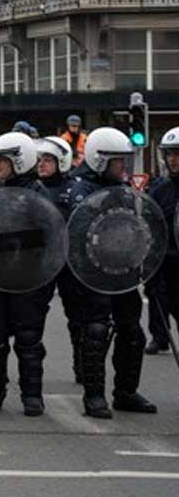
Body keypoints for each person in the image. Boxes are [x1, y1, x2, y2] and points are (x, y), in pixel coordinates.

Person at [60, 127, 156, 418]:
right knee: (96, 332)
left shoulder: (123, 191)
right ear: (100, 160)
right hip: (93, 275)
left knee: (133, 334)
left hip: (123, 272)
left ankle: (125, 392)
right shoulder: (81, 193)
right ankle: (94, 396)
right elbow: (76, 236)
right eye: (118, 161)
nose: (123, 167)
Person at [0, 133, 53, 416]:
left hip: (28, 279)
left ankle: (32, 394)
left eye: (2, 162)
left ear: (19, 161)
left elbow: (51, 240)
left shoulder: (39, 196)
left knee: (29, 339)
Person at [37, 136, 84, 383]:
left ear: (62, 161)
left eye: (47, 160)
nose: (42, 164)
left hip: (69, 263)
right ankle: (32, 366)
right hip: (41, 263)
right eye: (40, 160)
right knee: (32, 320)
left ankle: (82, 363)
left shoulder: (77, 188)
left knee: (78, 318)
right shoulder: (33, 188)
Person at [150, 127, 179, 361]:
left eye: (178, 154)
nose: (173, 160)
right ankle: (158, 335)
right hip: (166, 262)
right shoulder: (160, 189)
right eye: (170, 154)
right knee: (158, 298)